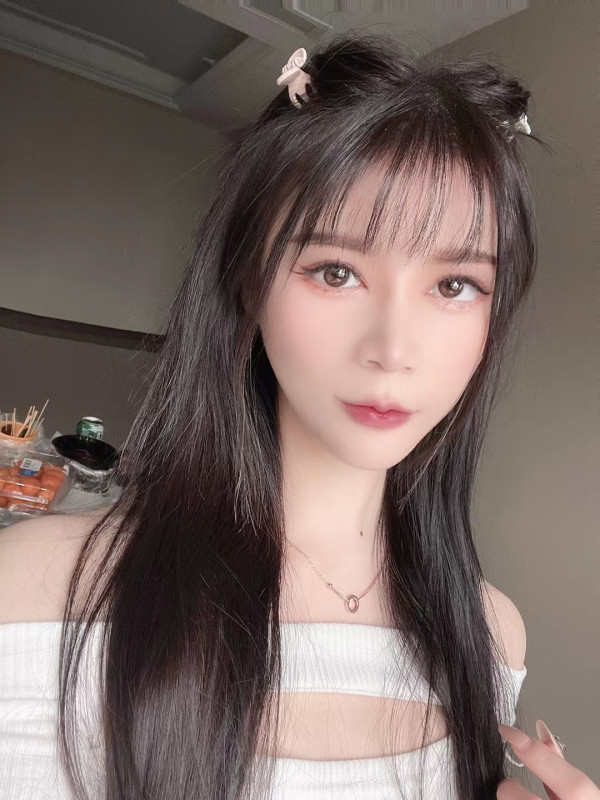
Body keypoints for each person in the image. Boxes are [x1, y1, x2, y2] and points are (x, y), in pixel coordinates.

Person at [0, 29, 597, 800]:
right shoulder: (34, 594)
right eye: (336, 271)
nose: (393, 349)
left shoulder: (492, 635)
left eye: (455, 286)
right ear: (250, 283)